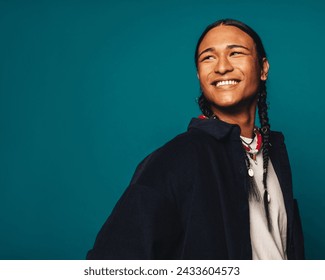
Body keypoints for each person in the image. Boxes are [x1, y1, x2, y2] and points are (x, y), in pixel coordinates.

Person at [87, 19, 304, 260]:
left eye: (235, 53)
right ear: (199, 75)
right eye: (208, 58)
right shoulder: (179, 157)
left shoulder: (274, 157)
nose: (222, 67)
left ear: (263, 68)